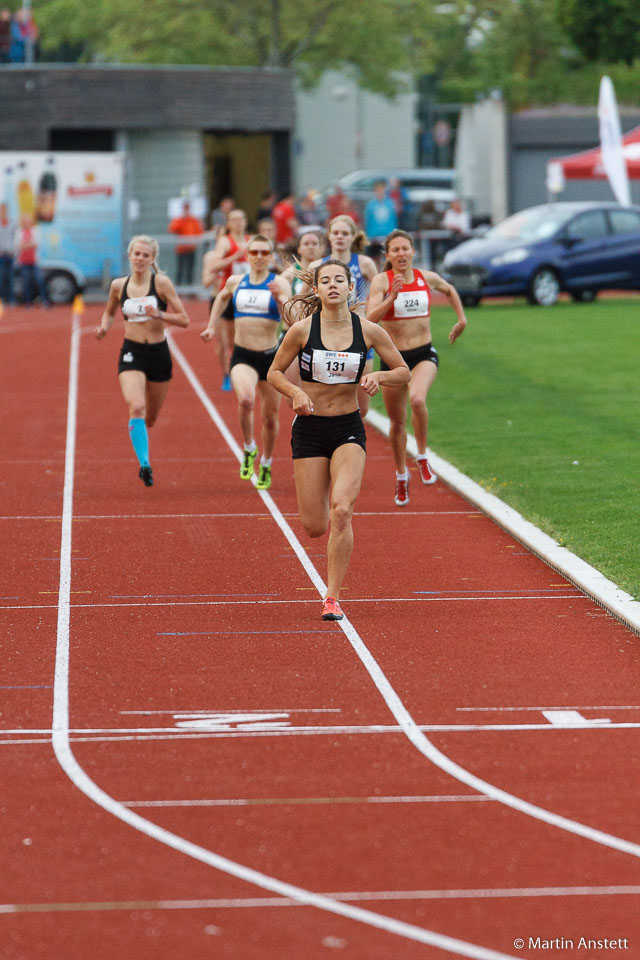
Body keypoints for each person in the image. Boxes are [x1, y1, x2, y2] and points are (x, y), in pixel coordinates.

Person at [267, 260, 409, 621]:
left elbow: (403, 371)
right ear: (316, 290)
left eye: (339, 280)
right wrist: (295, 393)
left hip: (348, 427)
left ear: (350, 288)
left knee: (342, 510)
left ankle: (332, 596)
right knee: (315, 526)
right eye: (325, 281)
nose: (333, 285)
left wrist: (380, 377)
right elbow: (274, 373)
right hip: (310, 428)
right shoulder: (301, 330)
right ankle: (326, 511)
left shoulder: (370, 331)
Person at [367, 229, 467, 506]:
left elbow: (449, 289)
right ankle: (401, 476)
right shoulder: (381, 281)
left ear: (413, 252)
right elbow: (370, 319)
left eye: (405, 249)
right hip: (393, 360)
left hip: (423, 354)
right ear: (387, 255)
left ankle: (422, 457)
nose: (401, 254)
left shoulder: (426, 278)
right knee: (397, 423)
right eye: (395, 250)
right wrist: (391, 296)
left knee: (418, 398)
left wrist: (461, 320)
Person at [94, 235, 190, 487]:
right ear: (129, 255)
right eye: (137, 254)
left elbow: (184, 319)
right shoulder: (118, 286)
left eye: (145, 255)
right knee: (136, 407)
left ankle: (143, 445)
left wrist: (159, 314)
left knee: (150, 419)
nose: (140, 259)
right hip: (131, 352)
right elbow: (108, 312)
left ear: (152, 259)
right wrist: (104, 327)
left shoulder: (161, 284)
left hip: (158, 354)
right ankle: (145, 464)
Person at [201, 235, 291, 491]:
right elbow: (220, 297)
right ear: (247, 255)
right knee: (246, 400)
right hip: (242, 355)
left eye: (265, 252)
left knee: (271, 417)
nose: (260, 257)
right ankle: (250, 447)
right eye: (255, 252)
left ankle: (266, 462)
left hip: (271, 358)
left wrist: (280, 300)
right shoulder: (236, 281)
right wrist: (210, 326)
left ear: (270, 256)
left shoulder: (279, 283)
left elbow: (290, 321)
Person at [308, 214, 377, 415]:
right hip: (326, 337)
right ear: (328, 236)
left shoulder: (364, 264)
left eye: (345, 233)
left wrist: (368, 314)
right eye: (335, 233)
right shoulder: (316, 267)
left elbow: (381, 291)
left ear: (353, 237)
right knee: (326, 400)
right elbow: (302, 298)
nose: (339, 237)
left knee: (362, 409)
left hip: (359, 337)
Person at [201, 208, 251, 390]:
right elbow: (214, 265)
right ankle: (226, 375)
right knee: (222, 342)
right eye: (234, 219)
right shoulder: (224, 242)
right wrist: (235, 257)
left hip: (246, 296)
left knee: (236, 340)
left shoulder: (250, 241)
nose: (238, 222)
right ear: (229, 223)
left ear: (245, 222)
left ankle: (242, 370)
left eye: (241, 219)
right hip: (225, 295)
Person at [15, 212, 49, 306]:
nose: (27, 223)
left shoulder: (36, 230)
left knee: (39, 280)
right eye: (25, 221)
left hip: (34, 261)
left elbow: (36, 244)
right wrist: (29, 244)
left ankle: (45, 301)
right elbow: (18, 246)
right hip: (23, 261)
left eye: (28, 221)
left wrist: (26, 244)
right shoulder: (19, 232)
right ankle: (28, 302)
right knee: (26, 283)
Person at [167, 200, 203, 286]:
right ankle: (178, 288)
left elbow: (199, 232)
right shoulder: (179, 219)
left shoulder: (193, 220)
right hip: (181, 249)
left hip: (191, 249)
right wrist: (182, 219)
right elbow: (172, 229)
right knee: (180, 269)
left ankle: (189, 289)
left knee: (190, 270)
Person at [364, 180, 397, 255]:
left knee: (388, 256)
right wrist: (369, 235)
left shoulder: (390, 203)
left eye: (381, 189)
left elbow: (393, 220)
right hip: (374, 237)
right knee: (374, 258)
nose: (380, 191)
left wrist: (393, 234)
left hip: (387, 236)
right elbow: (368, 221)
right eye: (377, 189)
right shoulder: (370, 205)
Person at [0, 202, 15, 305]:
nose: (3, 211)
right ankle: (2, 299)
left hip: (10, 254)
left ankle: (11, 299)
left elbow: (15, 237)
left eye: (4, 209)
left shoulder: (11, 223)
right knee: (1, 278)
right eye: (1, 209)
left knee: (10, 278)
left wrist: (14, 250)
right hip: (1, 254)